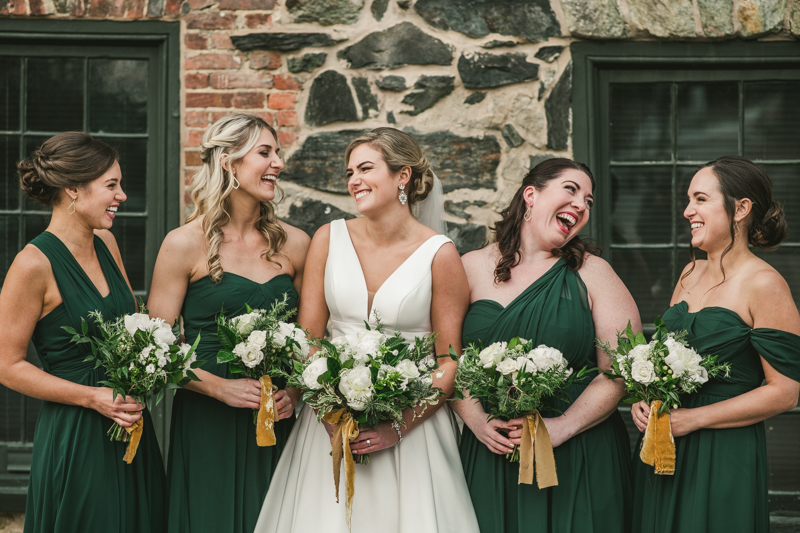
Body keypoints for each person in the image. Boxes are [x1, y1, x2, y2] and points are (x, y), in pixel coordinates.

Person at [254, 127, 480, 533]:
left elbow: (448, 361)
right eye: (349, 173)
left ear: (402, 176)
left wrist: (398, 426)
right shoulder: (329, 238)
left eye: (365, 168)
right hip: (328, 425)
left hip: (411, 433)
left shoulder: (440, 254)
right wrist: (329, 412)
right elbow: (309, 339)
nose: (353, 180)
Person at [452, 158, 640, 533]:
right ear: (531, 195)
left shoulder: (594, 273)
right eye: (571, 190)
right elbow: (446, 356)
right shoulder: (469, 267)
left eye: (588, 200)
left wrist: (562, 427)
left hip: (577, 451)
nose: (581, 205)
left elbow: (619, 370)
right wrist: (475, 420)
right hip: (493, 446)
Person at [146, 113, 309, 533]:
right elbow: (154, 349)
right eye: (265, 153)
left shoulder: (296, 243)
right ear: (228, 162)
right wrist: (218, 387)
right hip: (207, 420)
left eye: (278, 152)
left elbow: (313, 337)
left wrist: (292, 390)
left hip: (278, 418)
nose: (278, 163)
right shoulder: (183, 243)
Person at [0, 132, 165, 532]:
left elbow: (133, 324)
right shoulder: (33, 265)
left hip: (130, 424)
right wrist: (92, 397)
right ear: (73, 189)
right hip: (76, 435)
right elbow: (7, 366)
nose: (122, 195)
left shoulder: (107, 243)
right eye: (111, 185)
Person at [630, 156, 800, 533]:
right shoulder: (689, 271)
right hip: (665, 446)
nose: (688, 210)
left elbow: (785, 392)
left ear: (740, 208)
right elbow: (664, 356)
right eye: (688, 200)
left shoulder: (764, 284)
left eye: (701, 199)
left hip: (724, 450)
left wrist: (694, 419)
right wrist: (645, 397)